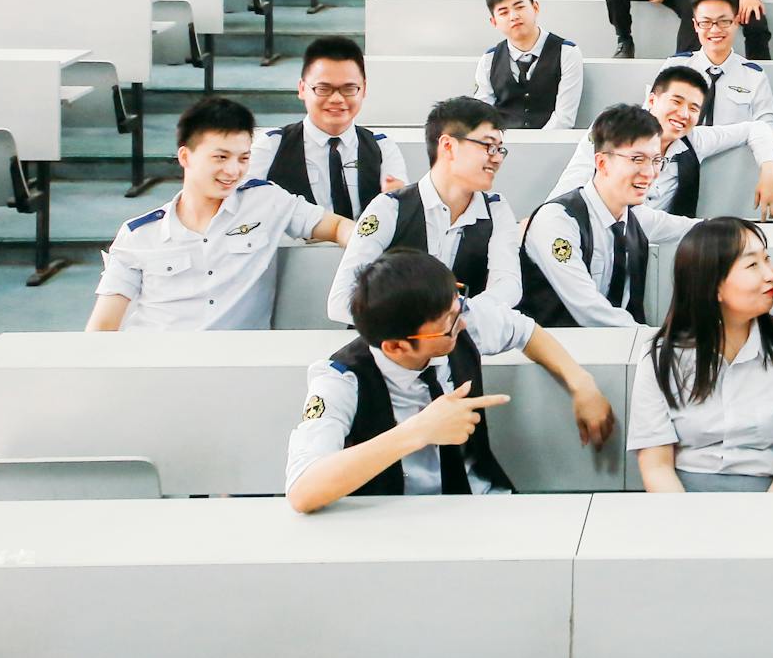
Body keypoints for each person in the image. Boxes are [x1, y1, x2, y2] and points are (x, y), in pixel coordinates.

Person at [285, 250, 615, 511]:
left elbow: (523, 330)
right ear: (397, 346)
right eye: (448, 323)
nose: (462, 323)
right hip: (394, 520)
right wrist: (418, 431)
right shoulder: (341, 380)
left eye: (458, 305)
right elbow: (303, 490)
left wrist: (581, 382)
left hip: (484, 501)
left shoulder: (458, 317)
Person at [89, 97, 352, 332]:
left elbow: (337, 226)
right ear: (185, 156)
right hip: (159, 365)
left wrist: (368, 244)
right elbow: (102, 327)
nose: (233, 171)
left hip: (237, 367)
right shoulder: (138, 235)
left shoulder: (266, 201)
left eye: (243, 158)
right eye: (221, 157)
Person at [629, 217, 773, 492]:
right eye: (753, 265)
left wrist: (771, 518)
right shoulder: (661, 356)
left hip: (772, 496)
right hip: (682, 500)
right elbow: (656, 466)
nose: (771, 274)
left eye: (767, 259)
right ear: (714, 285)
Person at [328, 97, 524, 325]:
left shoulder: (496, 209)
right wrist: (420, 321)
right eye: (488, 146)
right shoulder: (390, 207)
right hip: (394, 347)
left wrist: (458, 314)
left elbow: (508, 285)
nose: (497, 158)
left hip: (462, 342)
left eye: (500, 149)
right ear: (448, 146)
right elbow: (341, 300)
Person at [517, 104, 702, 327]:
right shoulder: (559, 220)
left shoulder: (636, 218)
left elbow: (697, 228)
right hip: (552, 352)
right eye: (637, 159)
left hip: (618, 350)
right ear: (602, 163)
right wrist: (653, 342)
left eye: (656, 160)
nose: (650, 173)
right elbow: (590, 310)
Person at [550, 65, 773, 220]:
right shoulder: (615, 128)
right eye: (676, 101)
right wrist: (547, 219)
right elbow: (572, 182)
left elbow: (757, 128)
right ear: (652, 99)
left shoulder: (694, 140)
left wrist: (769, 172)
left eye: (694, 108)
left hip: (658, 246)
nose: (684, 114)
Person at [246, 35, 407, 217]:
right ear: (302, 89)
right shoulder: (271, 146)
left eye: (349, 89)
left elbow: (398, 211)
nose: (337, 99)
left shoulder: (382, 148)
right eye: (323, 89)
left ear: (364, 89)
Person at [471, 0, 582, 131]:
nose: (513, 16)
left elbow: (564, 118)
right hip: (501, 148)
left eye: (519, 7)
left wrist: (535, 146)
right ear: (494, 22)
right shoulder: (489, 60)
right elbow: (483, 117)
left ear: (535, 7)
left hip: (553, 145)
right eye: (503, 12)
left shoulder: (567, 52)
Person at [667, 0, 773, 128]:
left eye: (723, 21)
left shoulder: (753, 75)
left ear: (736, 21)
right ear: (695, 25)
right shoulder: (675, 67)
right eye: (706, 22)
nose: (714, 30)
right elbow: (652, 117)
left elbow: (767, 125)